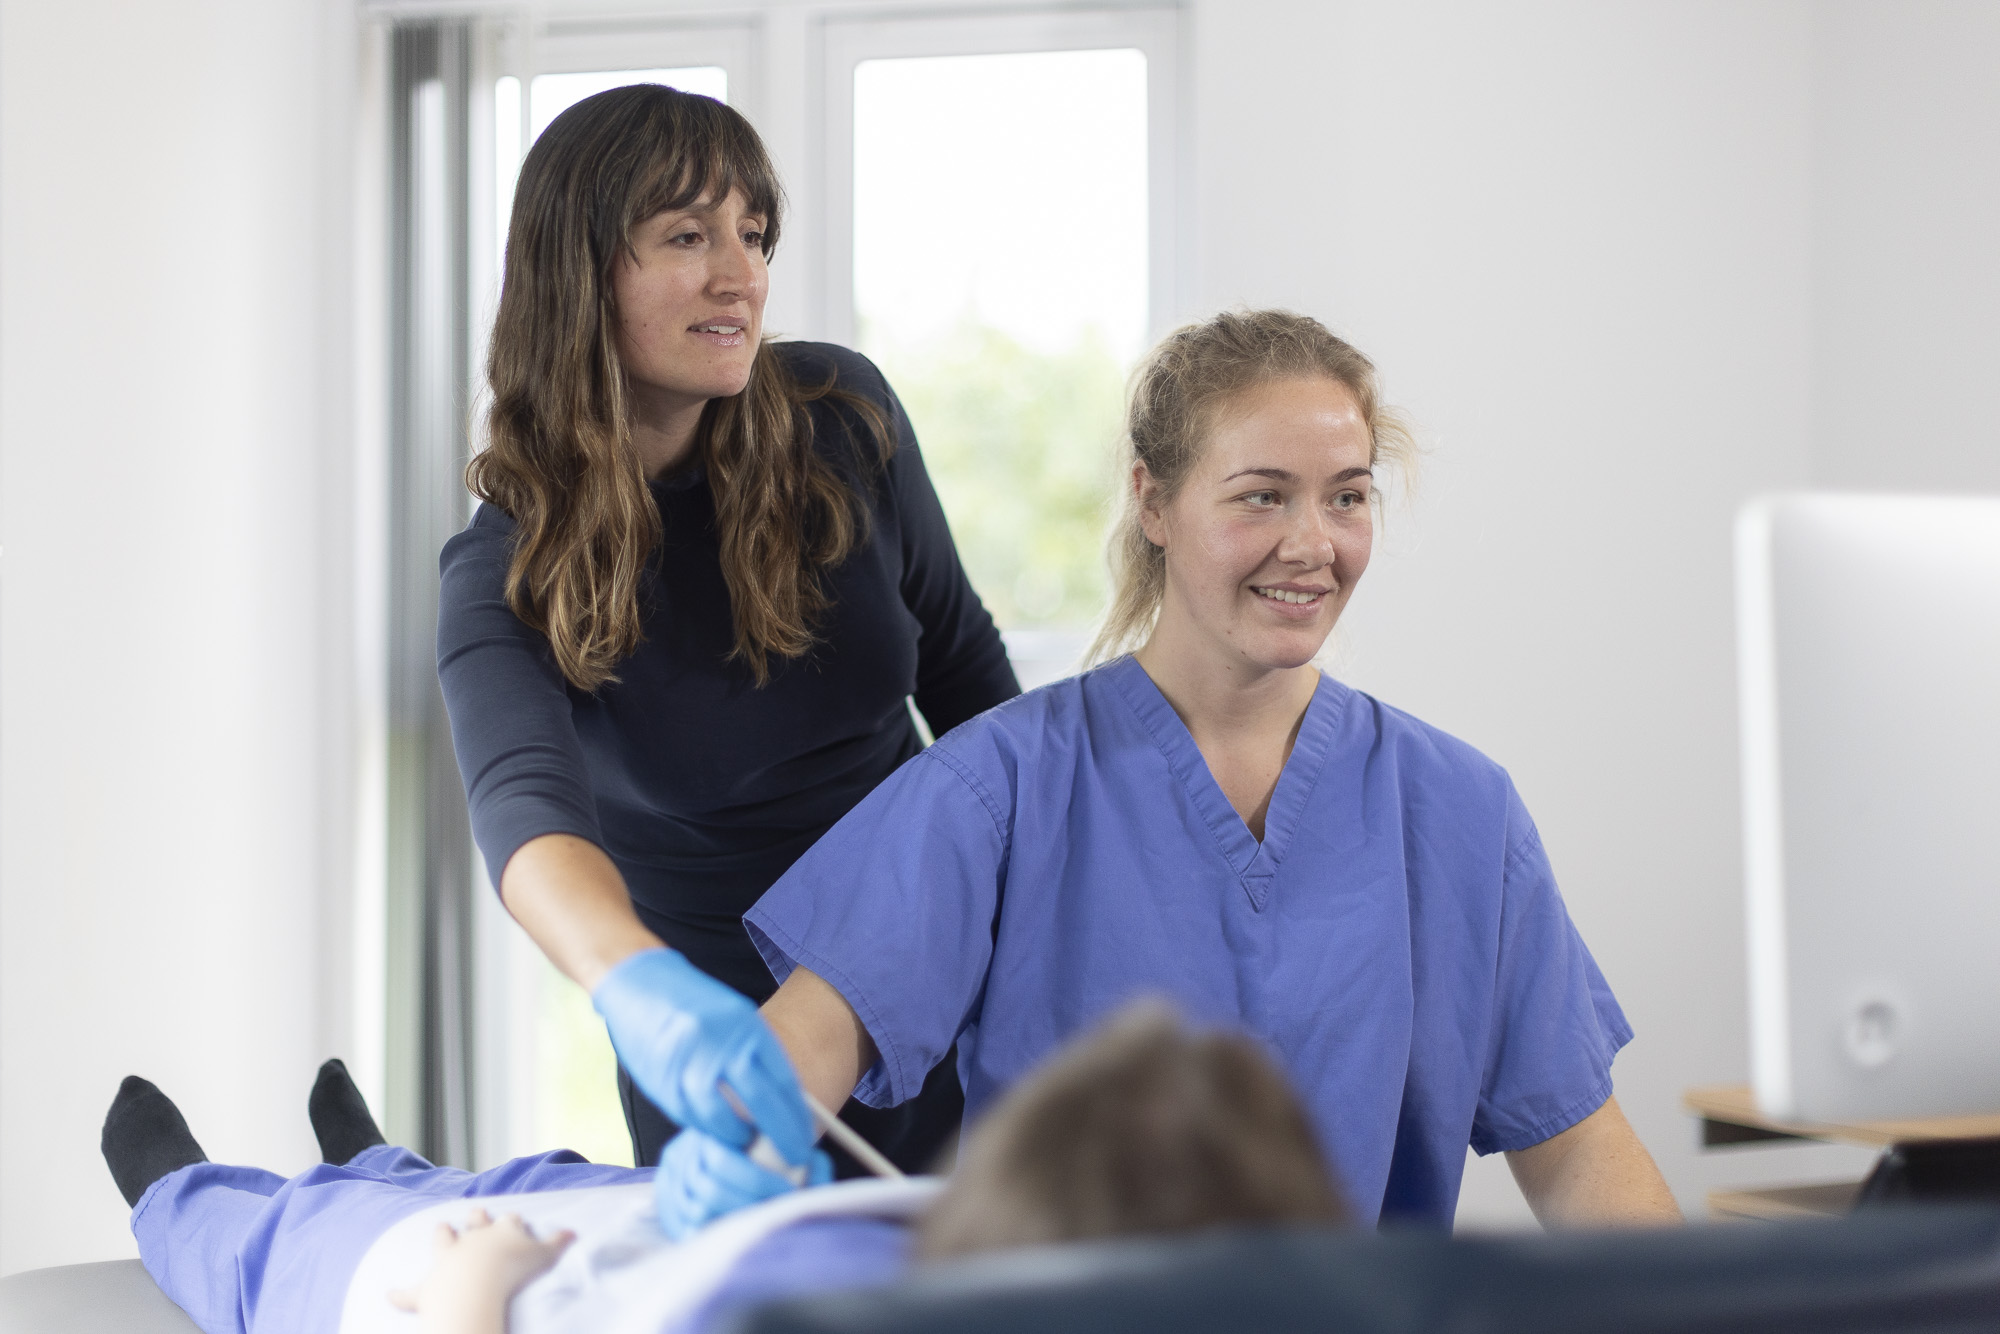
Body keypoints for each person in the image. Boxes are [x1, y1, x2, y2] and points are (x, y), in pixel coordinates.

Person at [655, 308, 1685, 1233]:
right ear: (1153, 501)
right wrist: (740, 1132)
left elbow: (1581, 1152)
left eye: (1346, 496)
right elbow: (809, 1039)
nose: (1311, 543)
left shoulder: (1456, 812)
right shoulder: (1006, 785)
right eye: (1261, 496)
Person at [437, 83, 1018, 1176]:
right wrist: (636, 987)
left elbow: (963, 667)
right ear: (578, 270)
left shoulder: (842, 417)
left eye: (751, 234)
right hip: (719, 1035)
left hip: (932, 957)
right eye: (686, 235)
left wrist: (1055, 885)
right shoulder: (505, 566)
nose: (740, 273)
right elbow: (524, 815)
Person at [102, 1005, 1347, 1334]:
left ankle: (185, 1192)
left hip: (508, 1296)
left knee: (304, 1253)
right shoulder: (1022, 1240)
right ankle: (381, 1156)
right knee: (552, 1171)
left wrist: (474, 1287)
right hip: (675, 1240)